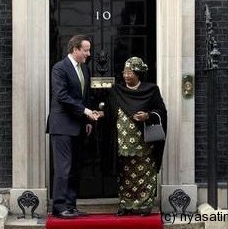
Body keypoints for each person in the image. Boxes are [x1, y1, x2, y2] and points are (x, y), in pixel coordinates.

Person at [100, 57, 167, 216]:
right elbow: (109, 113)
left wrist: (148, 115)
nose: (126, 75)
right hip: (122, 143)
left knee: (145, 173)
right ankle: (126, 204)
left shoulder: (151, 90)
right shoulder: (116, 91)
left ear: (138, 73)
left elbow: (161, 111)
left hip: (145, 143)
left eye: (130, 72)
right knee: (125, 174)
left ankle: (144, 205)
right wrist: (100, 114)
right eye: (124, 72)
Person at [47, 35, 99, 219]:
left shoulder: (84, 69)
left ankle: (70, 205)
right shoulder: (59, 68)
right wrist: (86, 111)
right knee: (63, 167)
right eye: (85, 50)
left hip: (78, 125)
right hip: (61, 126)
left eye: (88, 50)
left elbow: (84, 98)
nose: (88, 53)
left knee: (75, 167)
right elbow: (61, 96)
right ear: (75, 49)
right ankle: (59, 207)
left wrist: (87, 121)